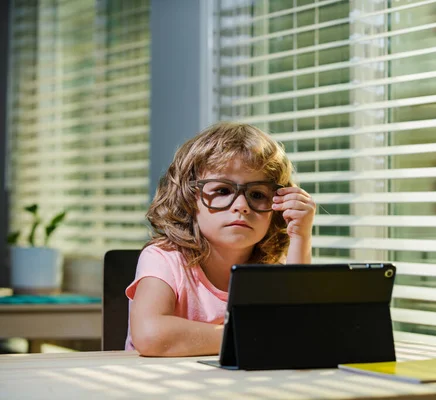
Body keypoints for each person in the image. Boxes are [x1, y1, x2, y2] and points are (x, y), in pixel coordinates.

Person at [125, 122, 316, 356]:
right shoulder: (164, 259)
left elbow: (299, 330)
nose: (242, 206)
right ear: (188, 198)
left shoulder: (269, 270)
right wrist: (252, 334)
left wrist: (300, 236)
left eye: (257, 194)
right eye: (223, 191)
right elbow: (151, 334)